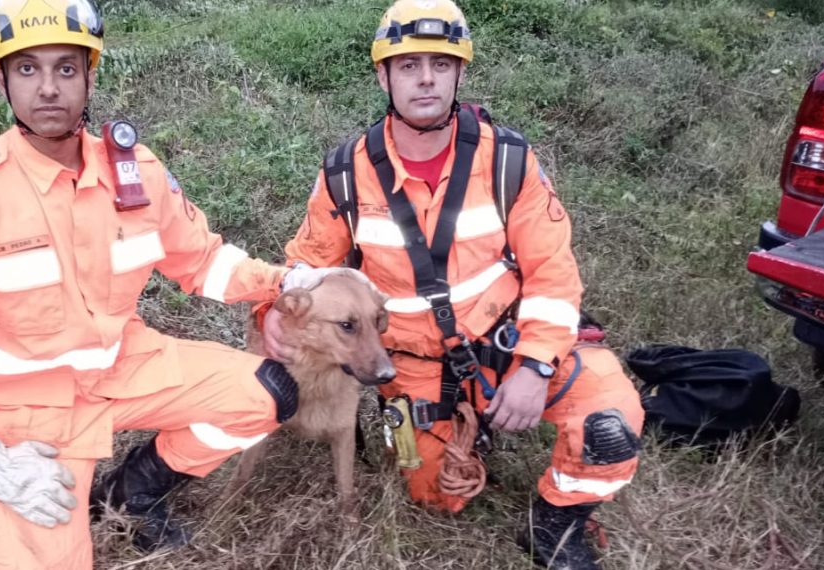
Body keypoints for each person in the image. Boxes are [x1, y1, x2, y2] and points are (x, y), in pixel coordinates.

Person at [0, 1, 346, 568]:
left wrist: (286, 279)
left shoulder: (133, 173)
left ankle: (134, 489)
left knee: (266, 394)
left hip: (122, 366)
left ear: (90, 75)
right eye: (27, 69)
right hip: (24, 413)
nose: (48, 88)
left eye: (66, 69)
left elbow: (203, 261)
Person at [263, 1, 644, 568]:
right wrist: (271, 313)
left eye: (440, 65)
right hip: (412, 362)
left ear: (459, 74)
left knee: (609, 419)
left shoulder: (508, 161)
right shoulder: (347, 170)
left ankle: (556, 523)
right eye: (409, 64)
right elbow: (308, 267)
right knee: (435, 497)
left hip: (508, 345)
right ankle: (460, 429)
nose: (425, 79)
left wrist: (537, 367)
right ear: (382, 75)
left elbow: (553, 273)